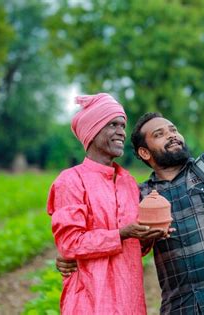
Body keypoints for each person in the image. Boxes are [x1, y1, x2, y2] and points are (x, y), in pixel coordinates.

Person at [57, 57, 204, 314]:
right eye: (160, 134)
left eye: (173, 129)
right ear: (145, 153)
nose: (172, 134)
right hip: (181, 306)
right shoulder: (138, 194)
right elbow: (125, 240)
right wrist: (71, 257)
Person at [47, 93, 166, 314]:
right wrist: (121, 233)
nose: (121, 131)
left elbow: (133, 247)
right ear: (92, 131)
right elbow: (70, 243)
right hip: (90, 301)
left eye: (122, 125)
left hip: (130, 300)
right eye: (113, 124)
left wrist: (146, 238)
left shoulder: (128, 182)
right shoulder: (70, 181)